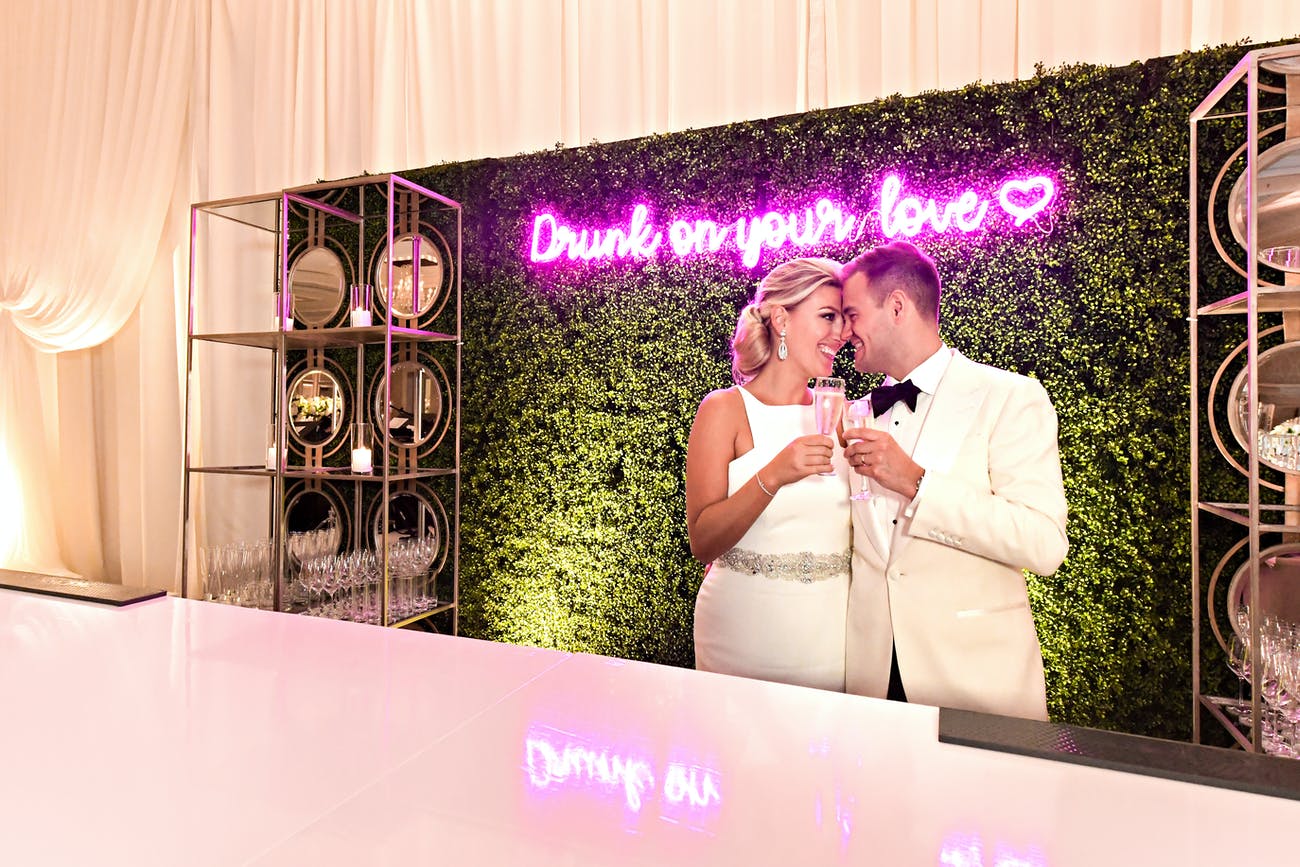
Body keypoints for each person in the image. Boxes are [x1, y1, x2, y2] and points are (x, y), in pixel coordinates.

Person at [839, 240, 1068, 720]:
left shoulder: (1010, 397)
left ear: (897, 306)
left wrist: (918, 483)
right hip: (871, 682)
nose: (845, 331)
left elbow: (1044, 544)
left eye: (852, 314)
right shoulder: (854, 414)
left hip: (975, 682)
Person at [686, 257, 852, 691]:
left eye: (843, 318)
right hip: (742, 635)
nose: (841, 334)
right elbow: (703, 541)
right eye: (827, 316)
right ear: (782, 318)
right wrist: (773, 474)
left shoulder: (842, 416)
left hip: (830, 639)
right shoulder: (725, 410)